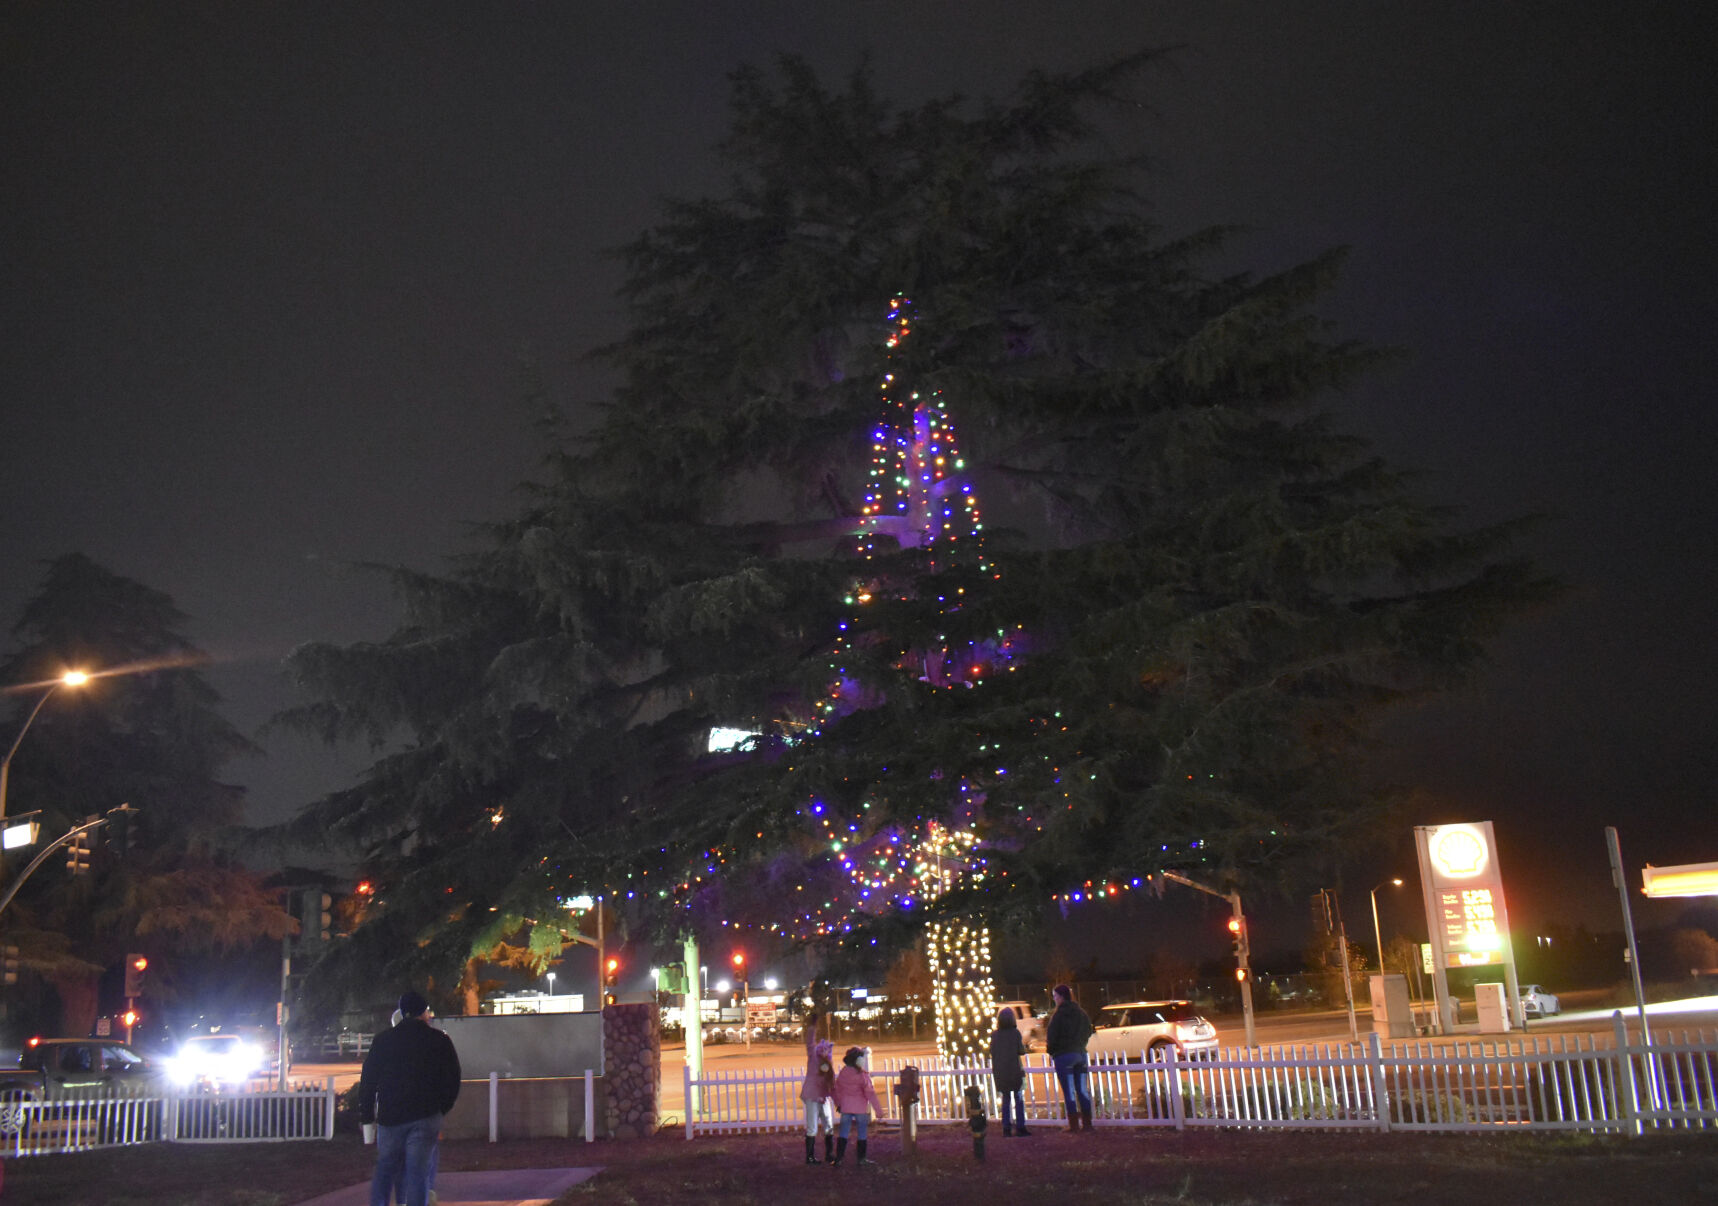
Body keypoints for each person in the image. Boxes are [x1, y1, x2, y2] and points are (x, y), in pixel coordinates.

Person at [358, 991, 462, 1206]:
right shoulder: (439, 1040)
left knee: (385, 1170)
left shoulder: (383, 1041)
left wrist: (367, 1116)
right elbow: (453, 1077)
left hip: (391, 1117)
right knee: (418, 1173)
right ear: (423, 1012)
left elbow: (368, 1080)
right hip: (425, 1115)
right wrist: (441, 1108)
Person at [1045, 983, 1094, 1132]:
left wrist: (1052, 1051)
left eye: (1055, 996)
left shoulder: (1058, 1016)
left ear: (1060, 997)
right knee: (1082, 1090)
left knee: (1069, 1092)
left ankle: (1074, 1125)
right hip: (1080, 1053)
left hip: (1064, 1055)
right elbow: (1088, 1030)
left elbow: (1052, 1037)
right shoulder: (1081, 1013)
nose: (1054, 1000)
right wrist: (1080, 1043)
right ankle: (1087, 1124)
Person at [830, 1046, 884, 1167]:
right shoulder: (862, 1075)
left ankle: (839, 1158)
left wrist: (838, 1104)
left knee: (843, 1132)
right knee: (862, 1133)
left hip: (846, 1107)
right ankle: (861, 1159)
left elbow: (836, 1090)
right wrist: (878, 1110)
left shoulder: (843, 1073)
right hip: (860, 1108)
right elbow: (870, 1093)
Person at [798, 1010, 838, 1165]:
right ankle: (809, 1157)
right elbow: (809, 1042)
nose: (824, 1052)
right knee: (812, 1126)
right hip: (812, 1096)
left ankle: (829, 1154)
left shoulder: (828, 1065)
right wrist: (812, 1027)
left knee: (828, 1124)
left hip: (824, 1097)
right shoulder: (813, 1057)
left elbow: (831, 1084)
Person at [989, 1006, 1031, 1137]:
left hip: (1001, 1072)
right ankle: (1020, 1127)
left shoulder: (995, 1035)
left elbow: (992, 1052)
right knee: (1018, 1098)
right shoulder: (1015, 1033)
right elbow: (1021, 1051)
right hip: (1014, 1070)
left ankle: (1006, 1128)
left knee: (1005, 1099)